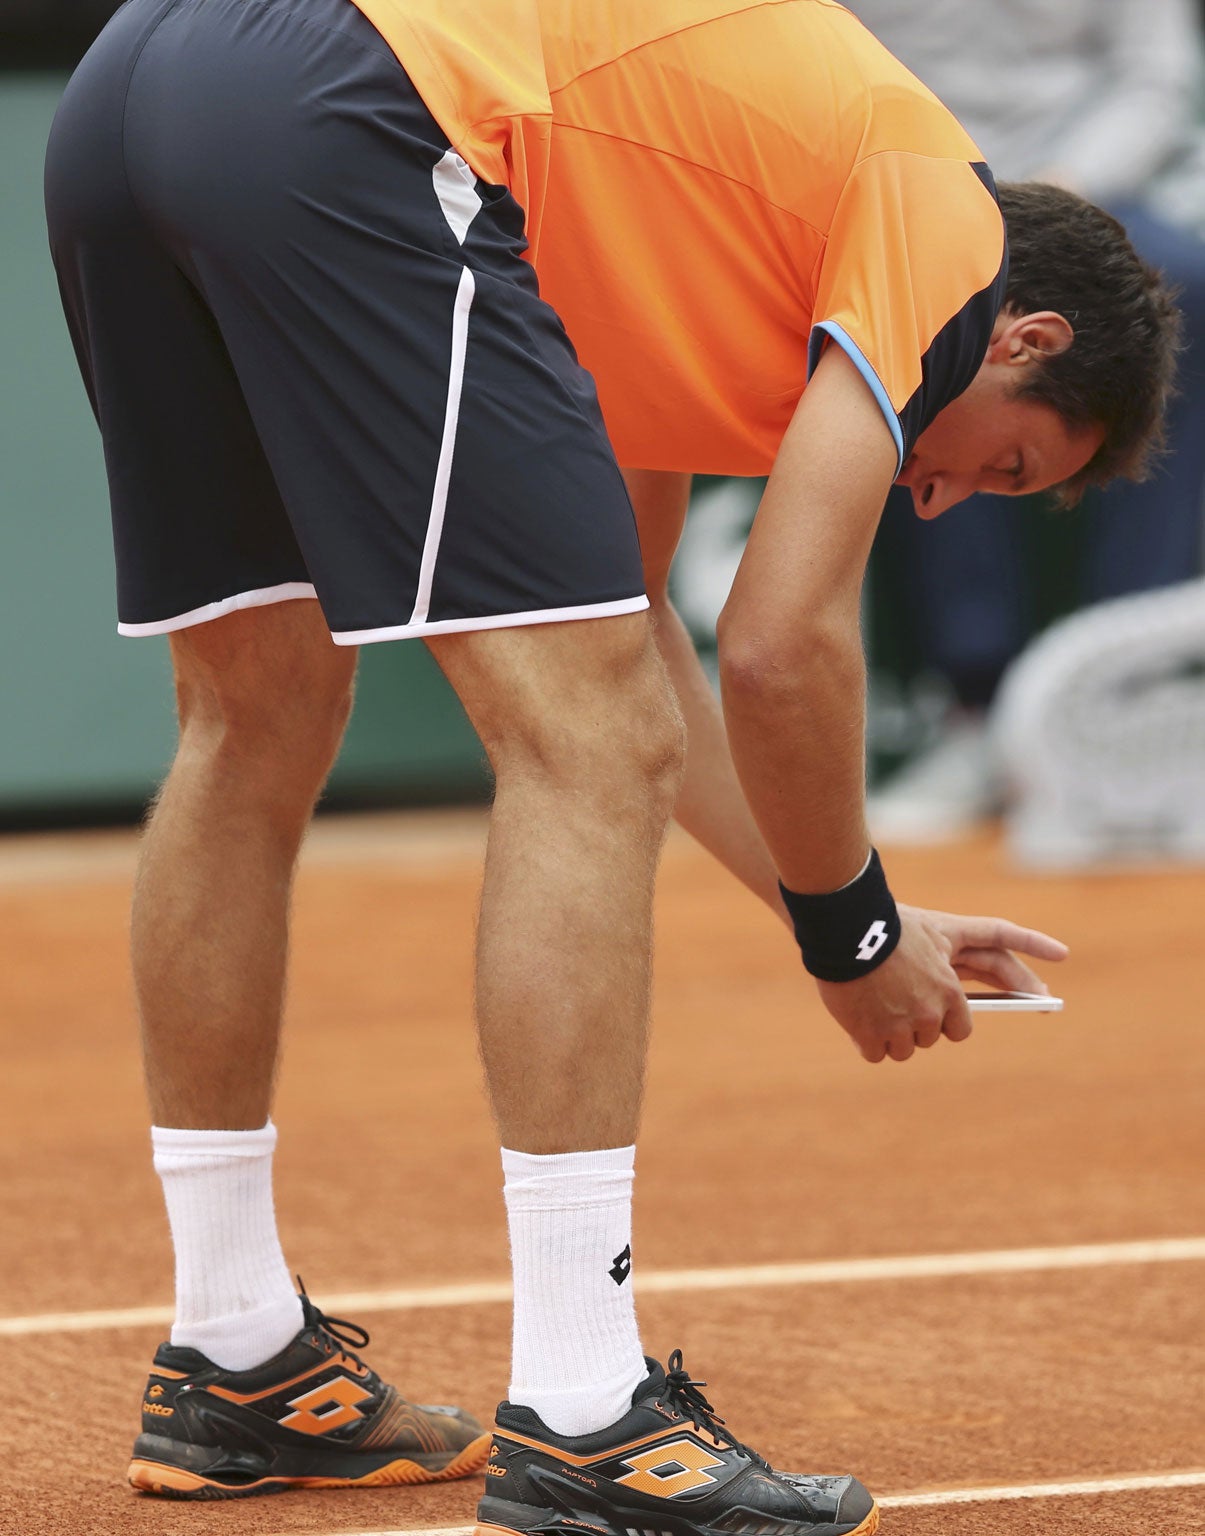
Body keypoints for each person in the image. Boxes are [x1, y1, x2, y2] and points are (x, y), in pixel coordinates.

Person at [43, 0, 1178, 1529]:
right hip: (352, 97)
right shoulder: (944, 232)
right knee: (573, 749)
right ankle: (585, 1405)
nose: (942, 500)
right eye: (1005, 464)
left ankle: (235, 1354)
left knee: (256, 719)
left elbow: (646, 647)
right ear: (1025, 339)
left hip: (137, 86)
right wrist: (849, 938)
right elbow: (779, 644)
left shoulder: (691, 251)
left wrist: (840, 915)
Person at [851, 0, 1205, 842]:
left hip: (1091, 189)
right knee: (921, 335)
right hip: (902, 195)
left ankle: (1123, 691)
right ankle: (975, 714)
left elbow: (1152, 84)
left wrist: (1059, 191)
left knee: (1184, 289)